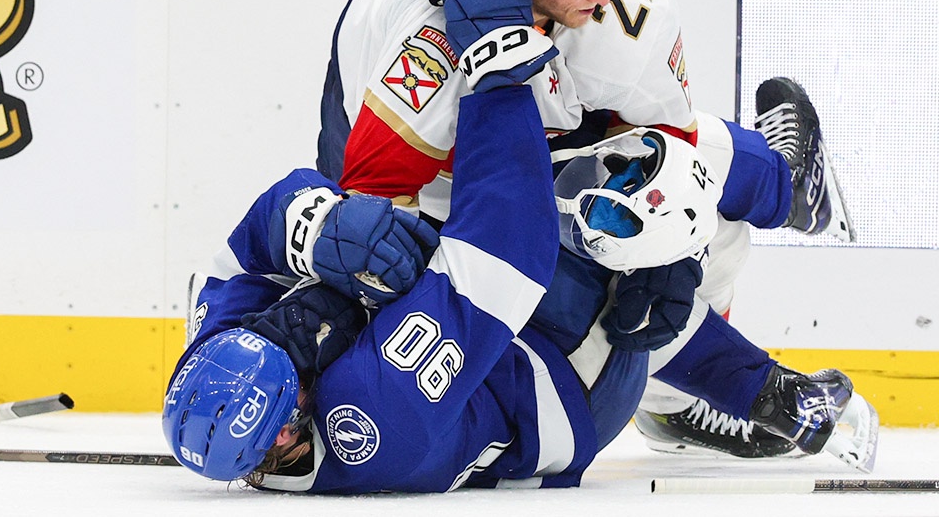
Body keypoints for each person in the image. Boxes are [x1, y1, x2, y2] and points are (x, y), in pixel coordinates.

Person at [312, 0, 853, 458]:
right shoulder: (432, 52)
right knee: (560, 288)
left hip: (527, 89)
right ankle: (683, 405)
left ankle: (788, 186)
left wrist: (671, 256)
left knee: (700, 232)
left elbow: (671, 145)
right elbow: (370, 217)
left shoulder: (624, 15)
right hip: (396, 121)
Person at [163, 61, 874, 491]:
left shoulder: (216, 367)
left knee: (385, 220)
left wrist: (314, 226)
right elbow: (504, 254)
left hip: (494, 355)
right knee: (623, 175)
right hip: (567, 396)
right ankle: (787, 202)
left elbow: (242, 251)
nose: (284, 344)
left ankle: (675, 407)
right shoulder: (373, 417)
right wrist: (498, 72)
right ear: (285, 441)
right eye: (294, 386)